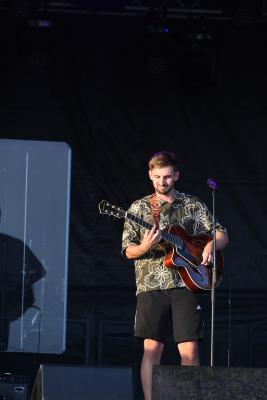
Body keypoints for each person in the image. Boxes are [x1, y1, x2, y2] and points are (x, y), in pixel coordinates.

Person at [121, 151, 229, 400]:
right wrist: (146, 246)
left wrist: (210, 245)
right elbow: (128, 250)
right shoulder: (138, 208)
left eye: (167, 176)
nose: (162, 182)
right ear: (150, 175)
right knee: (152, 348)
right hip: (151, 284)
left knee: (190, 351)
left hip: (187, 283)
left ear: (176, 175)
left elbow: (222, 234)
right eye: (157, 176)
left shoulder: (192, 204)